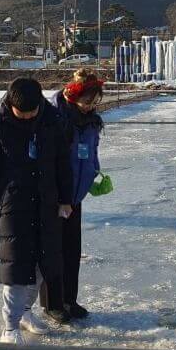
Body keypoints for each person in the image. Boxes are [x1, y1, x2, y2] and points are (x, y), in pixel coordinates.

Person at [0, 77, 74, 350]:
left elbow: (62, 163)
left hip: (46, 203)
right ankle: (9, 328)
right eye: (23, 113)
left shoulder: (52, 120)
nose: (29, 117)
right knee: (16, 268)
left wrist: (65, 199)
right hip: (14, 205)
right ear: (11, 104)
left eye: (33, 111)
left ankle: (25, 313)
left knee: (43, 265)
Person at [41, 68, 104, 319]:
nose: (91, 106)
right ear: (72, 96)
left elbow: (91, 149)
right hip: (55, 194)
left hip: (76, 193)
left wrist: (94, 171)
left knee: (72, 250)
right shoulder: (56, 118)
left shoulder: (89, 120)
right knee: (54, 251)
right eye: (87, 101)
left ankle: (70, 299)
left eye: (96, 102)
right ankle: (53, 303)